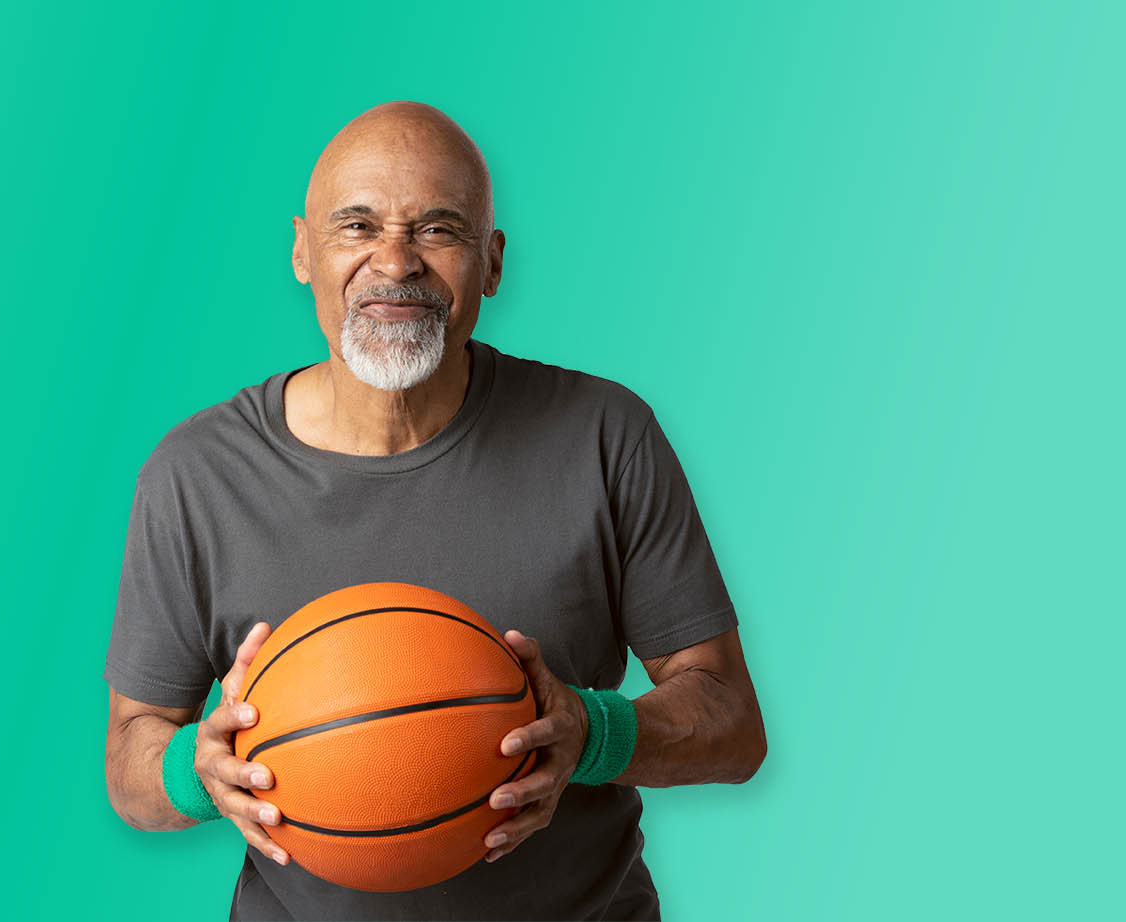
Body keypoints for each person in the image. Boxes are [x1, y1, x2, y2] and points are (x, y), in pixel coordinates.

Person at [103, 100, 767, 921]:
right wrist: (193, 774)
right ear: (303, 251)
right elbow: (131, 765)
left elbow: (733, 724)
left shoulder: (605, 436)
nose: (395, 262)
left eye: (438, 229)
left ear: (491, 263)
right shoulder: (195, 475)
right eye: (356, 226)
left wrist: (591, 734)